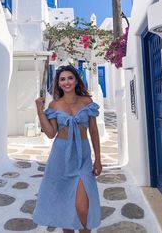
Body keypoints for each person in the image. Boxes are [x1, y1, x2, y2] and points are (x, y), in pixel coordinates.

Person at [33, 65, 102, 233]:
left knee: (83, 207)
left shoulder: (87, 102)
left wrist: (98, 159)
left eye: (70, 78)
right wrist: (40, 111)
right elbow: (50, 133)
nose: (66, 82)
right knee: (65, 204)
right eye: (62, 79)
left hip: (82, 155)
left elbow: (93, 131)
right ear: (58, 83)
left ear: (76, 80)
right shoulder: (55, 105)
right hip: (61, 155)